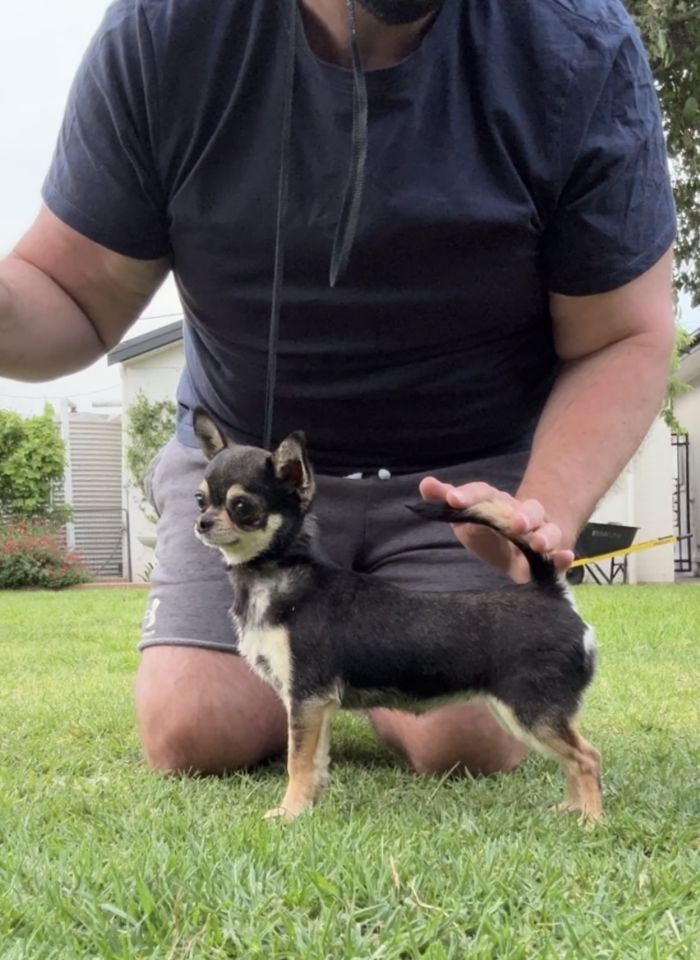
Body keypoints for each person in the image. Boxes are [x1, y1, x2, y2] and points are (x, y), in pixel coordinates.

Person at [0, 0, 676, 780]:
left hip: (457, 485)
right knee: (194, 723)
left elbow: (622, 333)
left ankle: (355, 665)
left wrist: (540, 509)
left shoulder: (577, 44)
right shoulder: (164, 29)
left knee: (464, 737)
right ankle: (340, 669)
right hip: (251, 467)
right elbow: (71, 290)